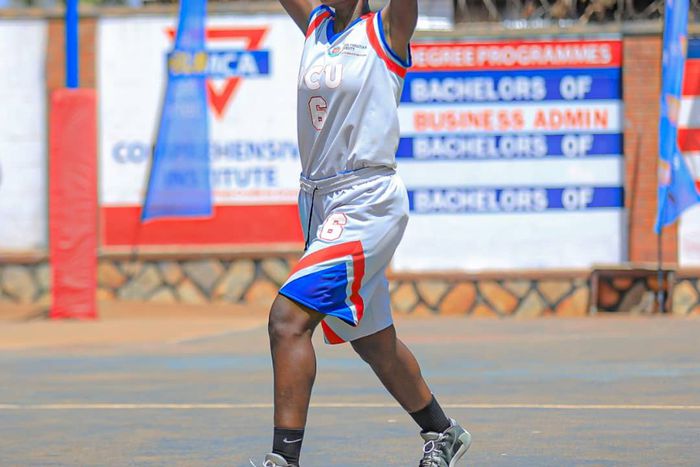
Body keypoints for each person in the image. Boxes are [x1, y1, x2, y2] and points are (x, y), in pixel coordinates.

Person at [253, 1, 471, 465]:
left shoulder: (387, 29)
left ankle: (283, 459)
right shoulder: (318, 26)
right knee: (372, 340)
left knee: (287, 321)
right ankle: (442, 432)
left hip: (365, 201)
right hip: (319, 202)